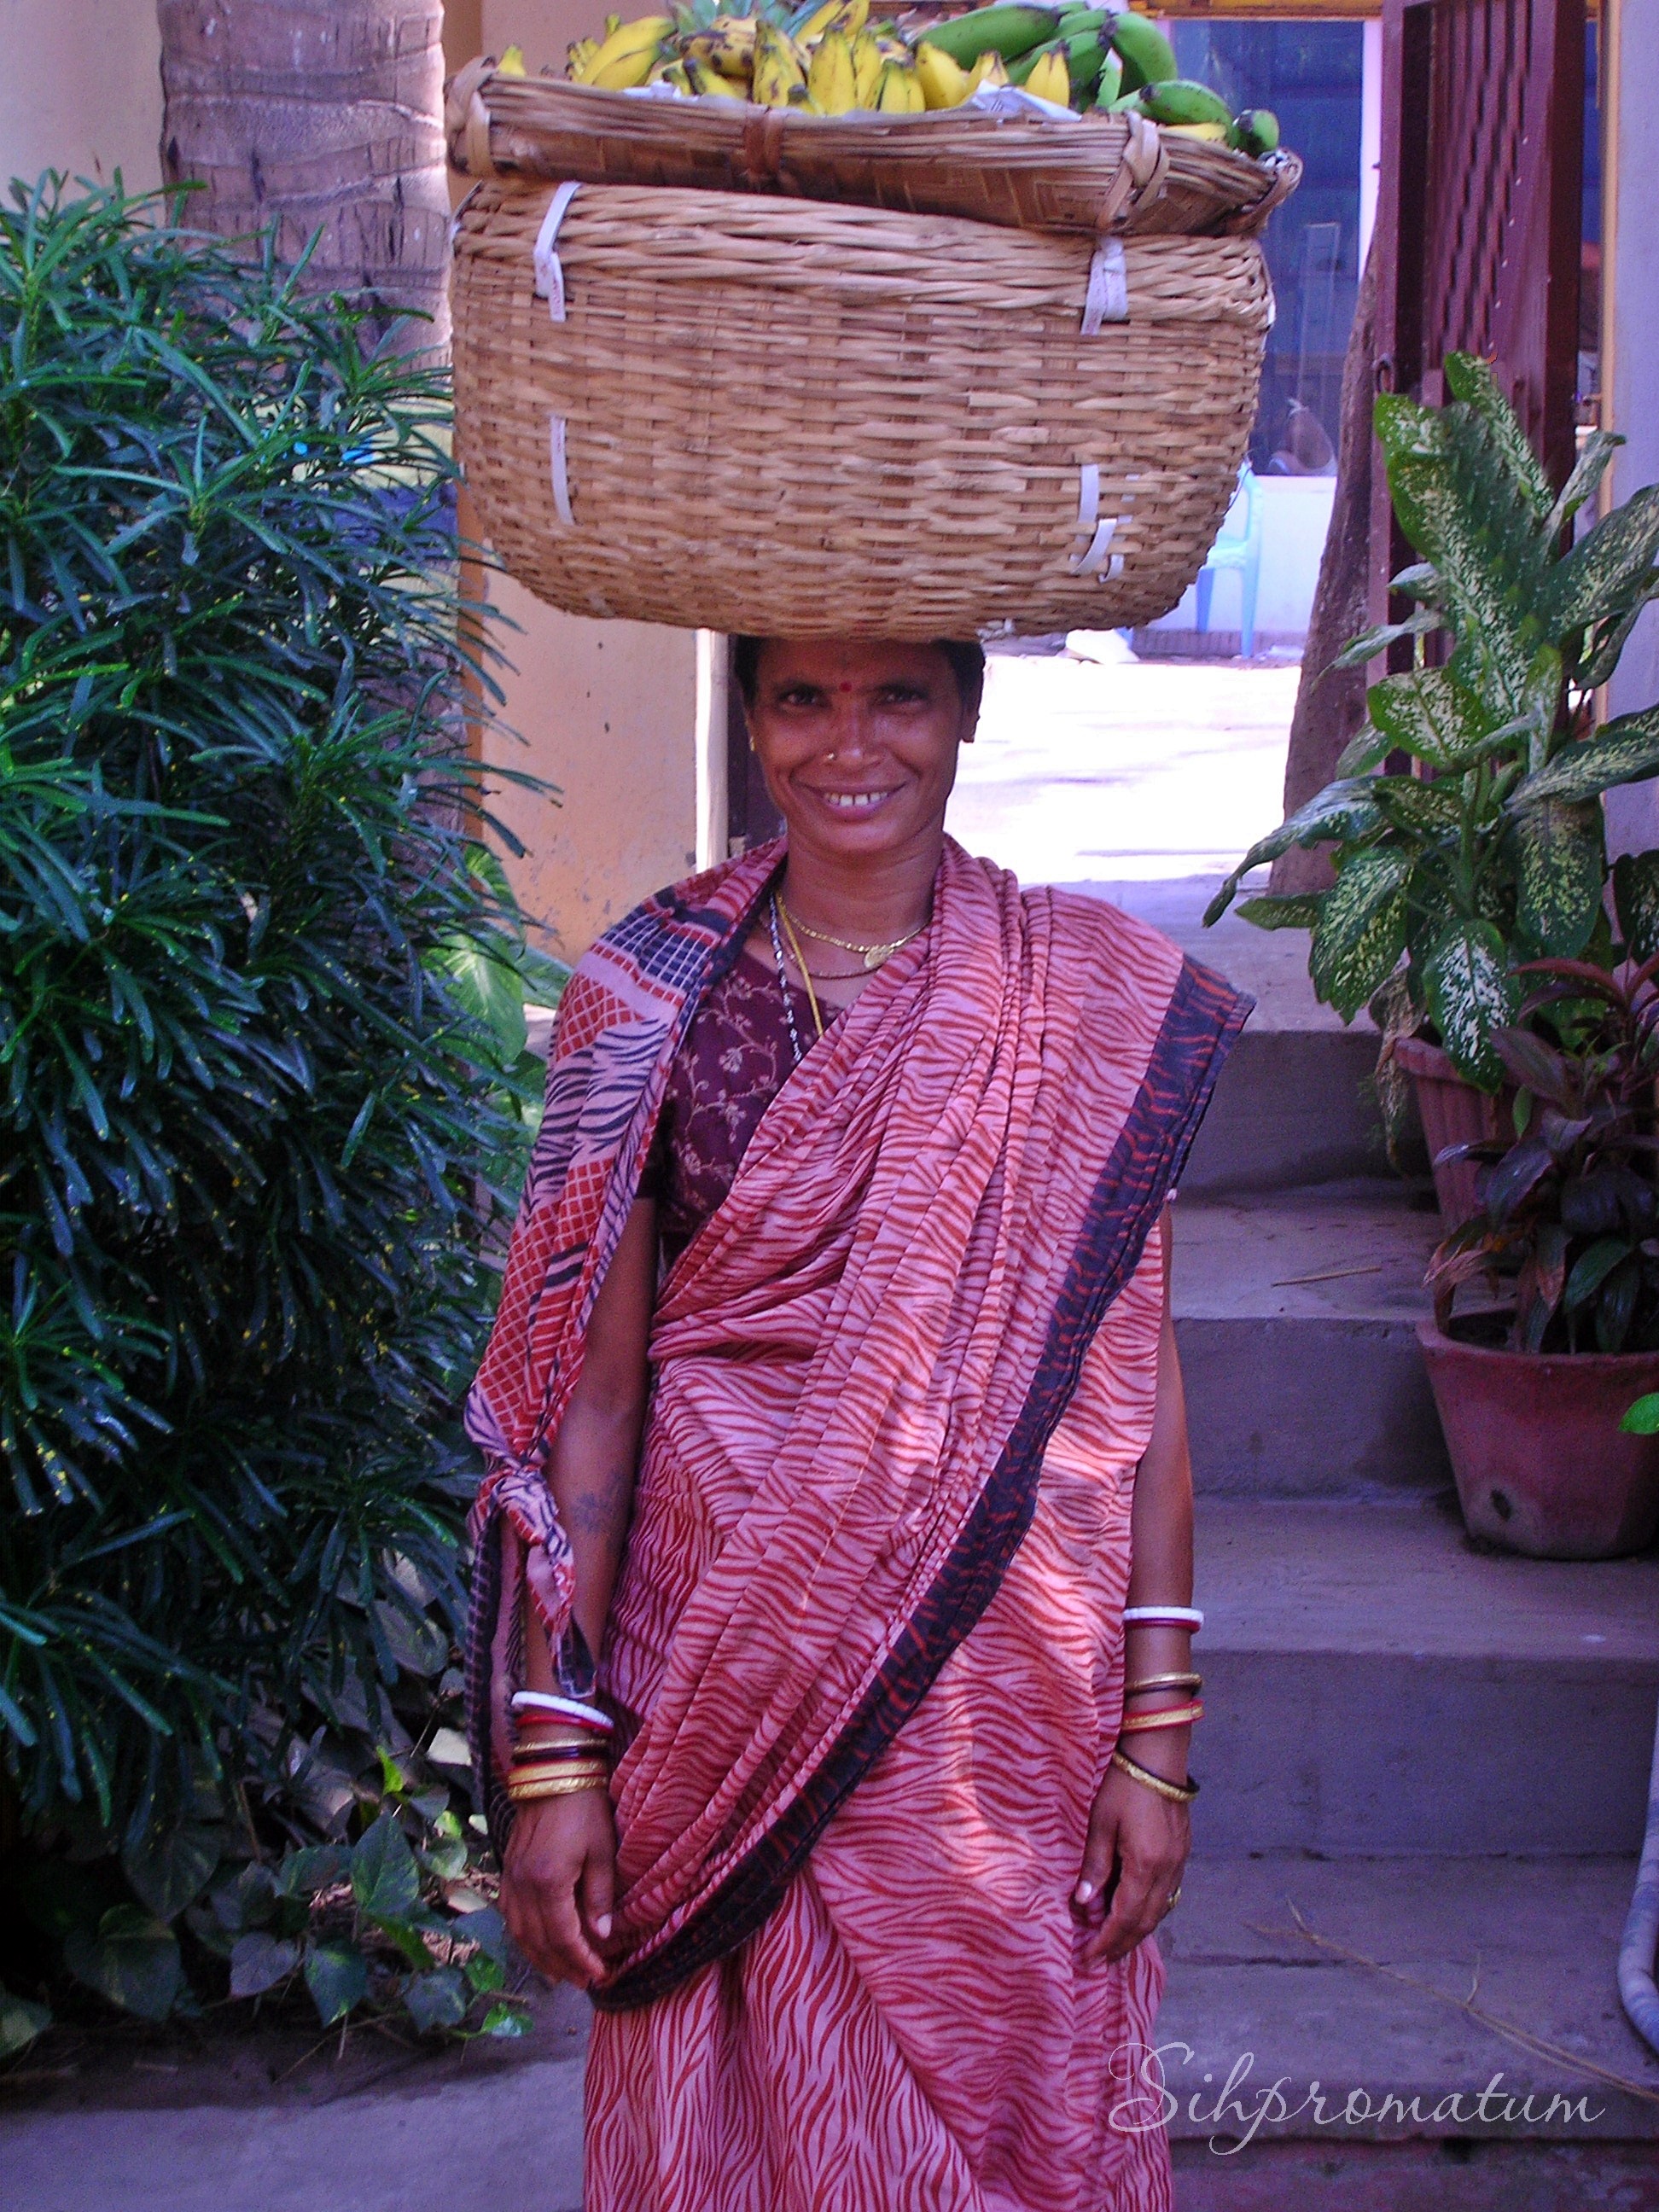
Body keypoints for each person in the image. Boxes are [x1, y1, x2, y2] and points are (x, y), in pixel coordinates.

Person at [466, 636, 1249, 2211]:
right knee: (733, 2115)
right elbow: (591, 1396)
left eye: (898, 695)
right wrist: (555, 1760)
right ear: (751, 723)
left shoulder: (1076, 1000)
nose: (852, 745)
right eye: (804, 699)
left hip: (990, 1702)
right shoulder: (645, 998)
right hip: (718, 1677)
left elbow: (1137, 1395)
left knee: (996, 2121)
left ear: (967, 711)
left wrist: (1157, 1744)